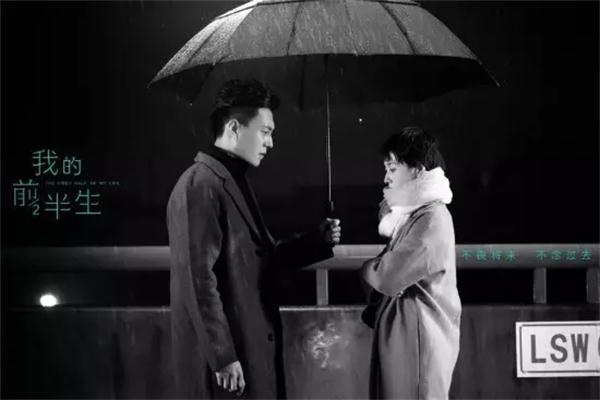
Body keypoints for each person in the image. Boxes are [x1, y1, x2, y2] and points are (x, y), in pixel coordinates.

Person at [167, 79, 341, 399]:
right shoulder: (200, 185)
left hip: (247, 350)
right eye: (265, 131)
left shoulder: (230, 179)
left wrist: (318, 241)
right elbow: (198, 280)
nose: (270, 143)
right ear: (234, 128)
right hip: (226, 366)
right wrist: (222, 356)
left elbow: (263, 259)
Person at [360, 127, 461, 399]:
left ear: (417, 170)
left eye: (393, 169)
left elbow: (387, 276)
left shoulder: (432, 218)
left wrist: (367, 268)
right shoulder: (414, 216)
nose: (386, 178)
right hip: (409, 339)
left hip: (418, 343)